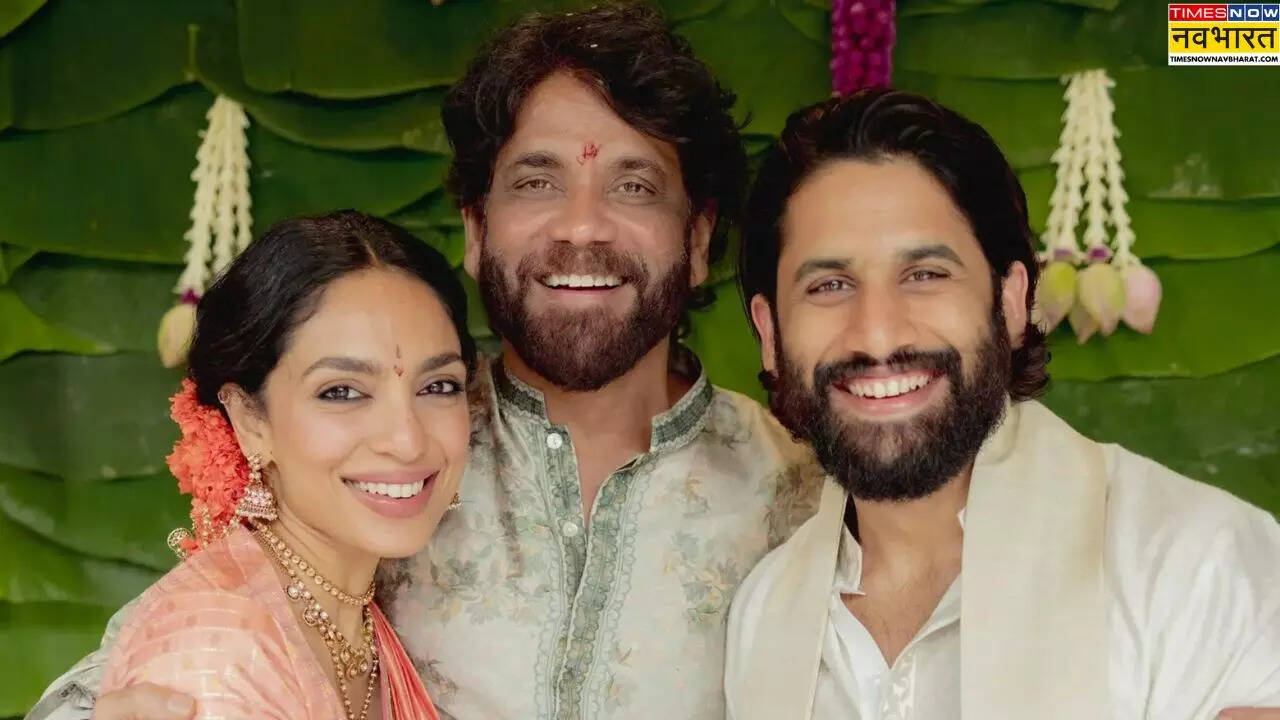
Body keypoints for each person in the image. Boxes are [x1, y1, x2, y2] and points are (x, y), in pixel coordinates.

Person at [29, 6, 821, 719]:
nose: (582, 227)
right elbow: (169, 658)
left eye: (635, 186)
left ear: (697, 239)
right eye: (537, 181)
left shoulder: (799, 494)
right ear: (476, 229)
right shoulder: (399, 451)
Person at [724, 88, 1280, 720]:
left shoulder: (1197, 565)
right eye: (830, 285)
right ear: (770, 334)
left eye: (925, 275)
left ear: (1012, 301)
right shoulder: (762, 617)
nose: (877, 335)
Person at [91, 210, 475, 719]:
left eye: (439, 386)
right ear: (250, 421)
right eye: (342, 392)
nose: (407, 441)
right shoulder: (218, 655)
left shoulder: (351, 612)